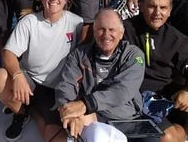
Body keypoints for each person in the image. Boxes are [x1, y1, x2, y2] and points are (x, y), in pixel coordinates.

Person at [0, 0, 83, 141]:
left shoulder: (77, 23)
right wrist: (18, 75)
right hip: (30, 80)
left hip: (58, 87)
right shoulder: (30, 22)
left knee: (54, 132)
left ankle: (31, 110)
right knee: (0, 78)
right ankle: (21, 113)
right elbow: (8, 53)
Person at [124, 0, 188, 142]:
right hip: (138, 101)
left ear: (169, 11)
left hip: (170, 98)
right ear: (141, 6)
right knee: (168, 137)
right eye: (152, 6)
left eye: (163, 8)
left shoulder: (177, 39)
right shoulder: (125, 30)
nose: (157, 13)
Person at [55, 9, 145, 141]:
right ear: (94, 31)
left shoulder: (134, 55)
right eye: (101, 29)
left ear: (121, 33)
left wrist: (85, 104)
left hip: (126, 119)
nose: (106, 35)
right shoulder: (80, 54)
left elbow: (123, 90)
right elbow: (66, 84)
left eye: (112, 30)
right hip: (90, 115)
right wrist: (67, 110)